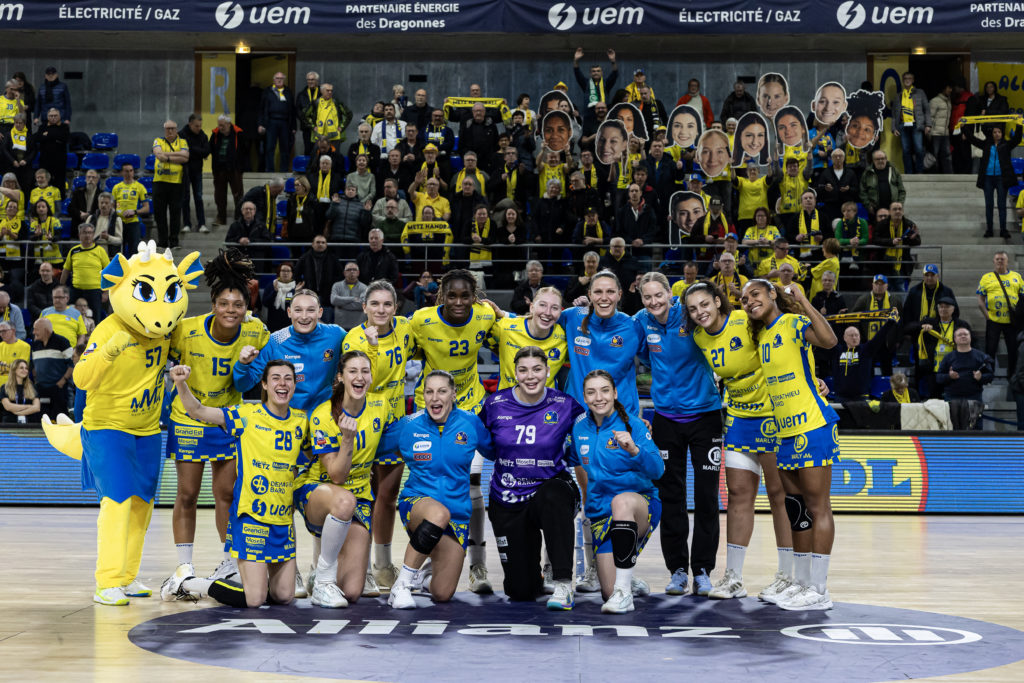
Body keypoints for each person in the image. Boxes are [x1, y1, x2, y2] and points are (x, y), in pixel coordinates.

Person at [162, 250, 268, 592]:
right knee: (188, 494)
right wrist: (171, 374)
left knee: (227, 494)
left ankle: (227, 563)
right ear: (213, 304)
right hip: (189, 418)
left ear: (246, 307)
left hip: (227, 420)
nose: (231, 311)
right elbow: (160, 358)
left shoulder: (256, 331)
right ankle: (184, 566)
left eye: (238, 305)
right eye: (224, 303)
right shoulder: (186, 331)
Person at [683, 281, 795, 601]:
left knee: (778, 496)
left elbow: (781, 335)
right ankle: (733, 578)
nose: (700, 312)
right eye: (693, 309)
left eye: (705, 304)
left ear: (719, 302)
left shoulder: (744, 320)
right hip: (738, 419)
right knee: (738, 496)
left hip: (773, 415)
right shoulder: (699, 336)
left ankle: (787, 576)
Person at [164, 360, 307, 608]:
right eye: (275, 378)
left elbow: (314, 460)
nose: (282, 384)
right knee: (254, 599)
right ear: (264, 384)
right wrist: (180, 383)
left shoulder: (302, 421)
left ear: (295, 384)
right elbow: (197, 410)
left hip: (283, 522)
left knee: (284, 596)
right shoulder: (246, 416)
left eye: (287, 378)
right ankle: (185, 583)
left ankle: (249, 582)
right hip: (252, 518)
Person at [741, 278, 839, 610]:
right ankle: (800, 582)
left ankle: (820, 589)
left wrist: (803, 301)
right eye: (744, 298)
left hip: (812, 425)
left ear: (772, 294)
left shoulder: (793, 322)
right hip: (784, 431)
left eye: (754, 294)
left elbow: (828, 340)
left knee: (817, 506)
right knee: (796, 510)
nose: (749, 300)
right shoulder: (763, 335)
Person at [632, 273, 722, 596]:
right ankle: (678, 571)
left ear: (671, 294)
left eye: (659, 295)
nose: (654, 302)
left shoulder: (690, 313)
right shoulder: (641, 321)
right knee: (671, 496)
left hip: (706, 416)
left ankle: (702, 570)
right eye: (648, 297)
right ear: (641, 299)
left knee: (707, 496)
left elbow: (722, 323)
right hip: (667, 419)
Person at [407, 270, 496, 591]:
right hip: (428, 407)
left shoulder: (486, 316)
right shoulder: (420, 320)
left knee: (472, 486)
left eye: (465, 296)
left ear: (476, 297)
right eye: (452, 295)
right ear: (440, 295)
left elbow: (513, 332)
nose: (459, 302)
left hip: (468, 409)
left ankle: (478, 567)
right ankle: (424, 559)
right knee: (430, 488)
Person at [478, 346, 584, 608]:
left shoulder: (564, 404)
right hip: (508, 497)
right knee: (520, 591)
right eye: (523, 370)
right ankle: (533, 576)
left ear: (547, 371)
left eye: (537, 369)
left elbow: (594, 427)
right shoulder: (495, 404)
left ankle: (562, 583)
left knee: (553, 495)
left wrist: (632, 425)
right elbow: (476, 437)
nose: (531, 376)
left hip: (551, 490)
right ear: (515, 373)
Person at [385, 370, 494, 609]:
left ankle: (426, 575)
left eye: (442, 391)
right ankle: (401, 585)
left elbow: (496, 450)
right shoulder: (408, 426)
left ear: (453, 395)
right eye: (429, 391)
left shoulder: (470, 423)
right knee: (438, 514)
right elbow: (375, 446)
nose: (435, 398)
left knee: (442, 593)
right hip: (417, 503)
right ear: (423, 396)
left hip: (457, 515)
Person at [297, 350, 396, 607]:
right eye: (353, 371)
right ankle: (323, 582)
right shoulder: (323, 414)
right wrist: (347, 439)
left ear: (372, 378)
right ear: (340, 377)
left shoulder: (381, 405)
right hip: (319, 492)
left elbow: (399, 439)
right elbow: (337, 476)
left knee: (351, 592)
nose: (359, 377)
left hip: (359, 498)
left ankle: (325, 574)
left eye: (365, 371)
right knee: (343, 502)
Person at [340, 280, 415, 589]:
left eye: (387, 304)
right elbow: (369, 378)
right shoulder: (353, 339)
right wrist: (372, 347)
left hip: (394, 422)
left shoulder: (406, 329)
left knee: (387, 496)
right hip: (361, 420)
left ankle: (383, 565)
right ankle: (360, 567)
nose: (381, 310)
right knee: (360, 496)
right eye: (375, 304)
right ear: (364, 308)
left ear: (395, 308)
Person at [569, 369, 663, 613]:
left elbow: (658, 470)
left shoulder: (634, 426)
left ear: (615, 393)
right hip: (601, 514)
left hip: (638, 506)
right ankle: (625, 581)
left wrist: (634, 450)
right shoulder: (580, 429)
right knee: (607, 592)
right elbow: (567, 457)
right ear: (585, 397)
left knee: (621, 502)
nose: (598, 397)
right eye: (591, 392)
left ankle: (625, 594)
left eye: (604, 390)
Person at [486, 286, 567, 391]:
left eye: (555, 308)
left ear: (560, 312)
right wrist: (503, 352)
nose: (548, 312)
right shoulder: (505, 327)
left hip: (546, 404)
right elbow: (481, 338)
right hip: (507, 403)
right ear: (532, 307)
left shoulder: (565, 337)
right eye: (542, 305)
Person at [968, 123, 1022, 239]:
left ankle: (1003, 230)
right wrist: (964, 126)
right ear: (992, 134)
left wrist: (1019, 125)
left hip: (1001, 178)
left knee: (1002, 205)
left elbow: (1017, 139)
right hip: (987, 178)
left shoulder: (1006, 145)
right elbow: (971, 139)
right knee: (989, 205)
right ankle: (989, 230)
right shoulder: (986, 144)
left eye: (999, 132)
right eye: (995, 132)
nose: (997, 134)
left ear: (1002, 134)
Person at [977, 250, 1023, 379]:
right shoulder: (987, 277)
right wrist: (987, 316)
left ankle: (1012, 376)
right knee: (990, 349)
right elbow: (980, 300)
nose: (1000, 261)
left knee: (1013, 350)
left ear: (1007, 261)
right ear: (993, 261)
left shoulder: (1016, 277)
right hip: (994, 320)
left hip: (1012, 321)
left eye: (1002, 259)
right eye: (997, 259)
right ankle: (988, 375)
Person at [151, 120, 190, 250]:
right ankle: (162, 241)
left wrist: (166, 156)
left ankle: (174, 241)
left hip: (176, 183)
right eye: (167, 129)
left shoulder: (182, 142)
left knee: (175, 214)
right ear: (164, 130)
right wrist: (176, 156)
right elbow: (158, 154)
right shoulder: (158, 141)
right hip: (160, 182)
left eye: (172, 128)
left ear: (176, 129)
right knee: (159, 214)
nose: (170, 131)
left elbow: (185, 157)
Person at [60, 223, 109, 323]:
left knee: (96, 319)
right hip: (76, 290)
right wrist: (62, 288)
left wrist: (106, 292)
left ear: (93, 234)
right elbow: (66, 270)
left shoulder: (100, 251)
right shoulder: (74, 251)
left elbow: (108, 272)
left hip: (95, 291)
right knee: (69, 317)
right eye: (84, 233)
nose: (87, 235)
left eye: (90, 233)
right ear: (79, 235)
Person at [936, 327, 994, 406]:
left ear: (970, 337)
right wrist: (949, 376)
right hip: (952, 397)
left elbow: (990, 376)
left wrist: (981, 377)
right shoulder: (948, 357)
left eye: (966, 334)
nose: (963, 336)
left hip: (974, 397)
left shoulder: (981, 356)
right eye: (960, 335)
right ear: (955, 339)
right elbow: (938, 378)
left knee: (974, 418)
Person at [30, 318, 72, 419]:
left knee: (59, 418)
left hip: (58, 389)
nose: (33, 332)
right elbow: (33, 366)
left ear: (46, 330)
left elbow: (72, 365)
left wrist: (62, 382)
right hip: (40, 388)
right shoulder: (35, 345)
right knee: (42, 419)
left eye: (36, 329)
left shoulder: (62, 342)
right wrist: (36, 381)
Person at [209, 114, 246, 227]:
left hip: (234, 169)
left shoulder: (238, 134)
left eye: (223, 125)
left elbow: (244, 151)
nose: (220, 128)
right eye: (219, 125)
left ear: (229, 124)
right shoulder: (215, 134)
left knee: (238, 194)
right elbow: (209, 148)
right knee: (219, 195)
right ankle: (221, 217)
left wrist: (241, 168)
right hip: (219, 169)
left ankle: (239, 217)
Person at [891, 72, 931, 174]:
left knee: (919, 149)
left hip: (916, 125)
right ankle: (909, 173)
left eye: (909, 78)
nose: (907, 80)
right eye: (905, 78)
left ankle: (919, 172)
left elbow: (927, 109)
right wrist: (894, 128)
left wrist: (928, 125)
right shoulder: (899, 96)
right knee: (906, 151)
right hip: (903, 125)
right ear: (903, 80)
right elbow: (894, 114)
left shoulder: (920, 93)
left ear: (913, 80)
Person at [294, 236, 342, 319]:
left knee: (326, 325)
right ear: (312, 244)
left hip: (327, 298)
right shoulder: (304, 258)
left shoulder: (333, 258)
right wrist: (303, 286)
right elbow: (296, 274)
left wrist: (333, 286)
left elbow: (340, 275)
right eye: (318, 242)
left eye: (323, 242)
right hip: (309, 296)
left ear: (326, 245)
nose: (320, 244)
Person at [258, 72, 296, 172]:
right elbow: (261, 109)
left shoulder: (288, 91)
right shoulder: (267, 91)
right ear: (273, 80)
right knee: (270, 147)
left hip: (285, 123)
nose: (279, 80)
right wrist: (261, 124)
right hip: (271, 122)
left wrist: (293, 126)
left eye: (281, 78)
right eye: (277, 78)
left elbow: (293, 110)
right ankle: (269, 169)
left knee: (285, 148)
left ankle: (284, 169)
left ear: (284, 80)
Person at [179, 113, 210, 235]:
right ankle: (187, 224)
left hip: (197, 171)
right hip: (184, 170)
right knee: (185, 198)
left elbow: (206, 152)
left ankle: (201, 223)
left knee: (198, 197)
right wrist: (198, 151)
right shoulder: (181, 135)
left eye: (200, 126)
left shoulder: (203, 135)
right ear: (190, 124)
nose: (199, 128)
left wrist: (192, 150)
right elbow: (182, 152)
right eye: (196, 126)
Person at [111, 164, 148, 255]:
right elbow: (111, 207)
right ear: (122, 172)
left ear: (133, 172)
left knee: (134, 250)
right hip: (119, 222)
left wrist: (134, 212)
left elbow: (146, 208)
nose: (129, 173)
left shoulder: (140, 187)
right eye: (126, 171)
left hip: (133, 222)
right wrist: (118, 213)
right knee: (118, 249)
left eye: (131, 170)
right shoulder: (116, 188)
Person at [859, 150, 906, 220]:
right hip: (874, 210)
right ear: (873, 160)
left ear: (886, 159)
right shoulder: (867, 173)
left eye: (883, 158)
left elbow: (902, 190)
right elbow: (862, 192)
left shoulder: (894, 171)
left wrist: (899, 205)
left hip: (893, 209)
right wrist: (868, 206)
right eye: (878, 159)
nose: (880, 161)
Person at [0, 358, 39, 423]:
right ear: (14, 370)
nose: (25, 370)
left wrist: (18, 413)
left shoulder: (32, 387)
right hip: (9, 425)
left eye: (26, 368)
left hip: (30, 425)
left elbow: (37, 407)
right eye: (21, 368)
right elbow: (8, 406)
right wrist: (29, 406)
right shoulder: (5, 387)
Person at [331, 262, 368, 330]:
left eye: (354, 269)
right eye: (348, 270)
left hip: (359, 326)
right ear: (344, 272)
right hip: (340, 326)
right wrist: (353, 299)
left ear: (358, 272)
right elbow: (334, 300)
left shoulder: (364, 287)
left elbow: (363, 304)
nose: (351, 271)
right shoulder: (336, 285)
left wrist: (341, 304)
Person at [262, 262, 296, 334]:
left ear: (292, 273)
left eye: (288, 271)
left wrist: (297, 294)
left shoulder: (296, 288)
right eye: (283, 270)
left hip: (291, 324)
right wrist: (275, 291)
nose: (285, 273)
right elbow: (265, 303)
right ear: (279, 272)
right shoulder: (271, 285)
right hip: (274, 323)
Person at [929, 83, 954, 174]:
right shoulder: (935, 101)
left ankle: (948, 174)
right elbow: (930, 117)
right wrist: (929, 132)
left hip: (945, 133)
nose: (950, 90)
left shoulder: (948, 101)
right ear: (943, 88)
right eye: (949, 88)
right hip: (935, 133)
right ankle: (933, 174)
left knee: (947, 154)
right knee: (933, 155)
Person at [296, 71, 321, 156]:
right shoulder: (301, 94)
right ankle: (309, 168)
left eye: (312, 80)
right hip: (307, 127)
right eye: (308, 80)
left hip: (320, 126)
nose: (310, 82)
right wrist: (307, 121)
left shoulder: (323, 93)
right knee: (308, 148)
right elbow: (298, 111)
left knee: (320, 148)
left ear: (317, 81)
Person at [0, 320, 30, 386]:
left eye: (4, 331)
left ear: (13, 331)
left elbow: (21, 369)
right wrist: (10, 366)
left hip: (15, 386)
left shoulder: (25, 346)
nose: (1, 334)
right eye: (0, 331)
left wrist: (3, 366)